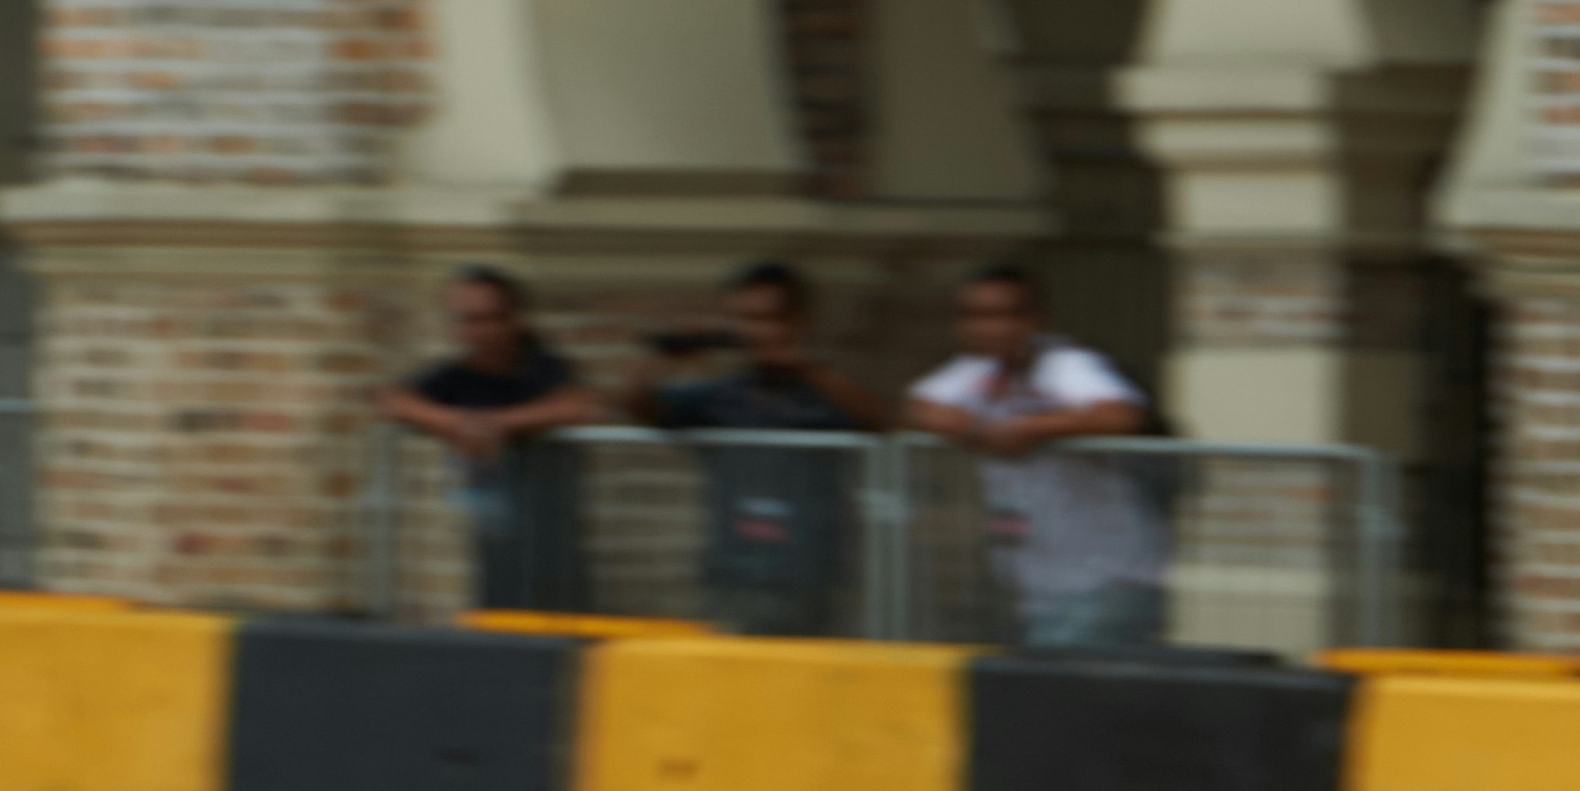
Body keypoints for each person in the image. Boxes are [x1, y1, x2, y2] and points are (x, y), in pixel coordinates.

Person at [624, 261, 888, 638]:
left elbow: (880, 421)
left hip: (810, 579)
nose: (757, 332)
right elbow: (638, 404)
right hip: (735, 575)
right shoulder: (719, 396)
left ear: (797, 323)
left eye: (770, 319)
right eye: (745, 319)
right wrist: (669, 353)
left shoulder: (824, 394)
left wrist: (803, 365)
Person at [905, 263, 1162, 649]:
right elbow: (919, 407)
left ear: (1036, 319)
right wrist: (984, 431)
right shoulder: (976, 371)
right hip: (1041, 589)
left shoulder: (1067, 364)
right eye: (978, 316)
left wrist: (1028, 428)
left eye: (1006, 315)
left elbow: (1121, 414)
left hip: (1110, 580)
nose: (993, 328)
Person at [375, 267, 608, 612]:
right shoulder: (459, 373)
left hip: (549, 533)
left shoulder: (539, 365)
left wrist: (495, 425)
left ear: (515, 318)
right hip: (494, 531)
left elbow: (583, 406)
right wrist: (457, 424)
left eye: (490, 319)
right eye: (468, 320)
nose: (480, 331)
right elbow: (392, 400)